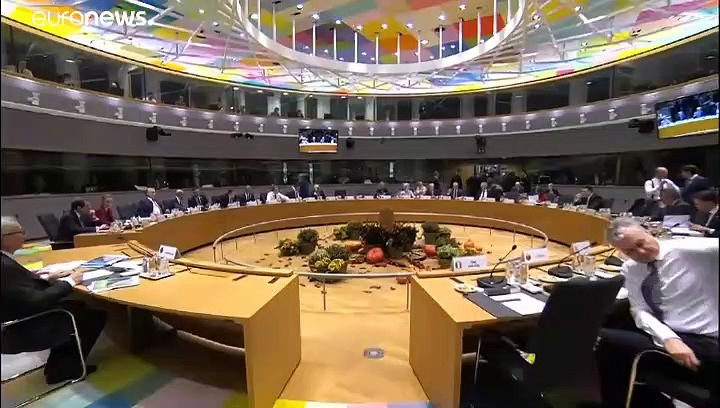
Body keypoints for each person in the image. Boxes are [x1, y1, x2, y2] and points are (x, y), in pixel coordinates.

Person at [597, 218, 718, 407]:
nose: (640, 253)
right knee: (605, 332)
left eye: (641, 243)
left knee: (609, 343)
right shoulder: (631, 268)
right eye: (629, 251)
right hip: (672, 333)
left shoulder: (691, 250)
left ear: (649, 232)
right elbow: (639, 309)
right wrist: (669, 338)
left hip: (705, 337)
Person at [1, 217, 106, 385]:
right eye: (21, 232)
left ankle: (58, 366)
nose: (24, 236)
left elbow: (16, 288)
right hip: (20, 328)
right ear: (5, 238)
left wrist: (48, 278)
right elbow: (36, 301)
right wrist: (70, 281)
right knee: (92, 316)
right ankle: (63, 371)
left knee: (78, 305)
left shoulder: (5, 261)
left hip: (15, 319)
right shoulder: (4, 266)